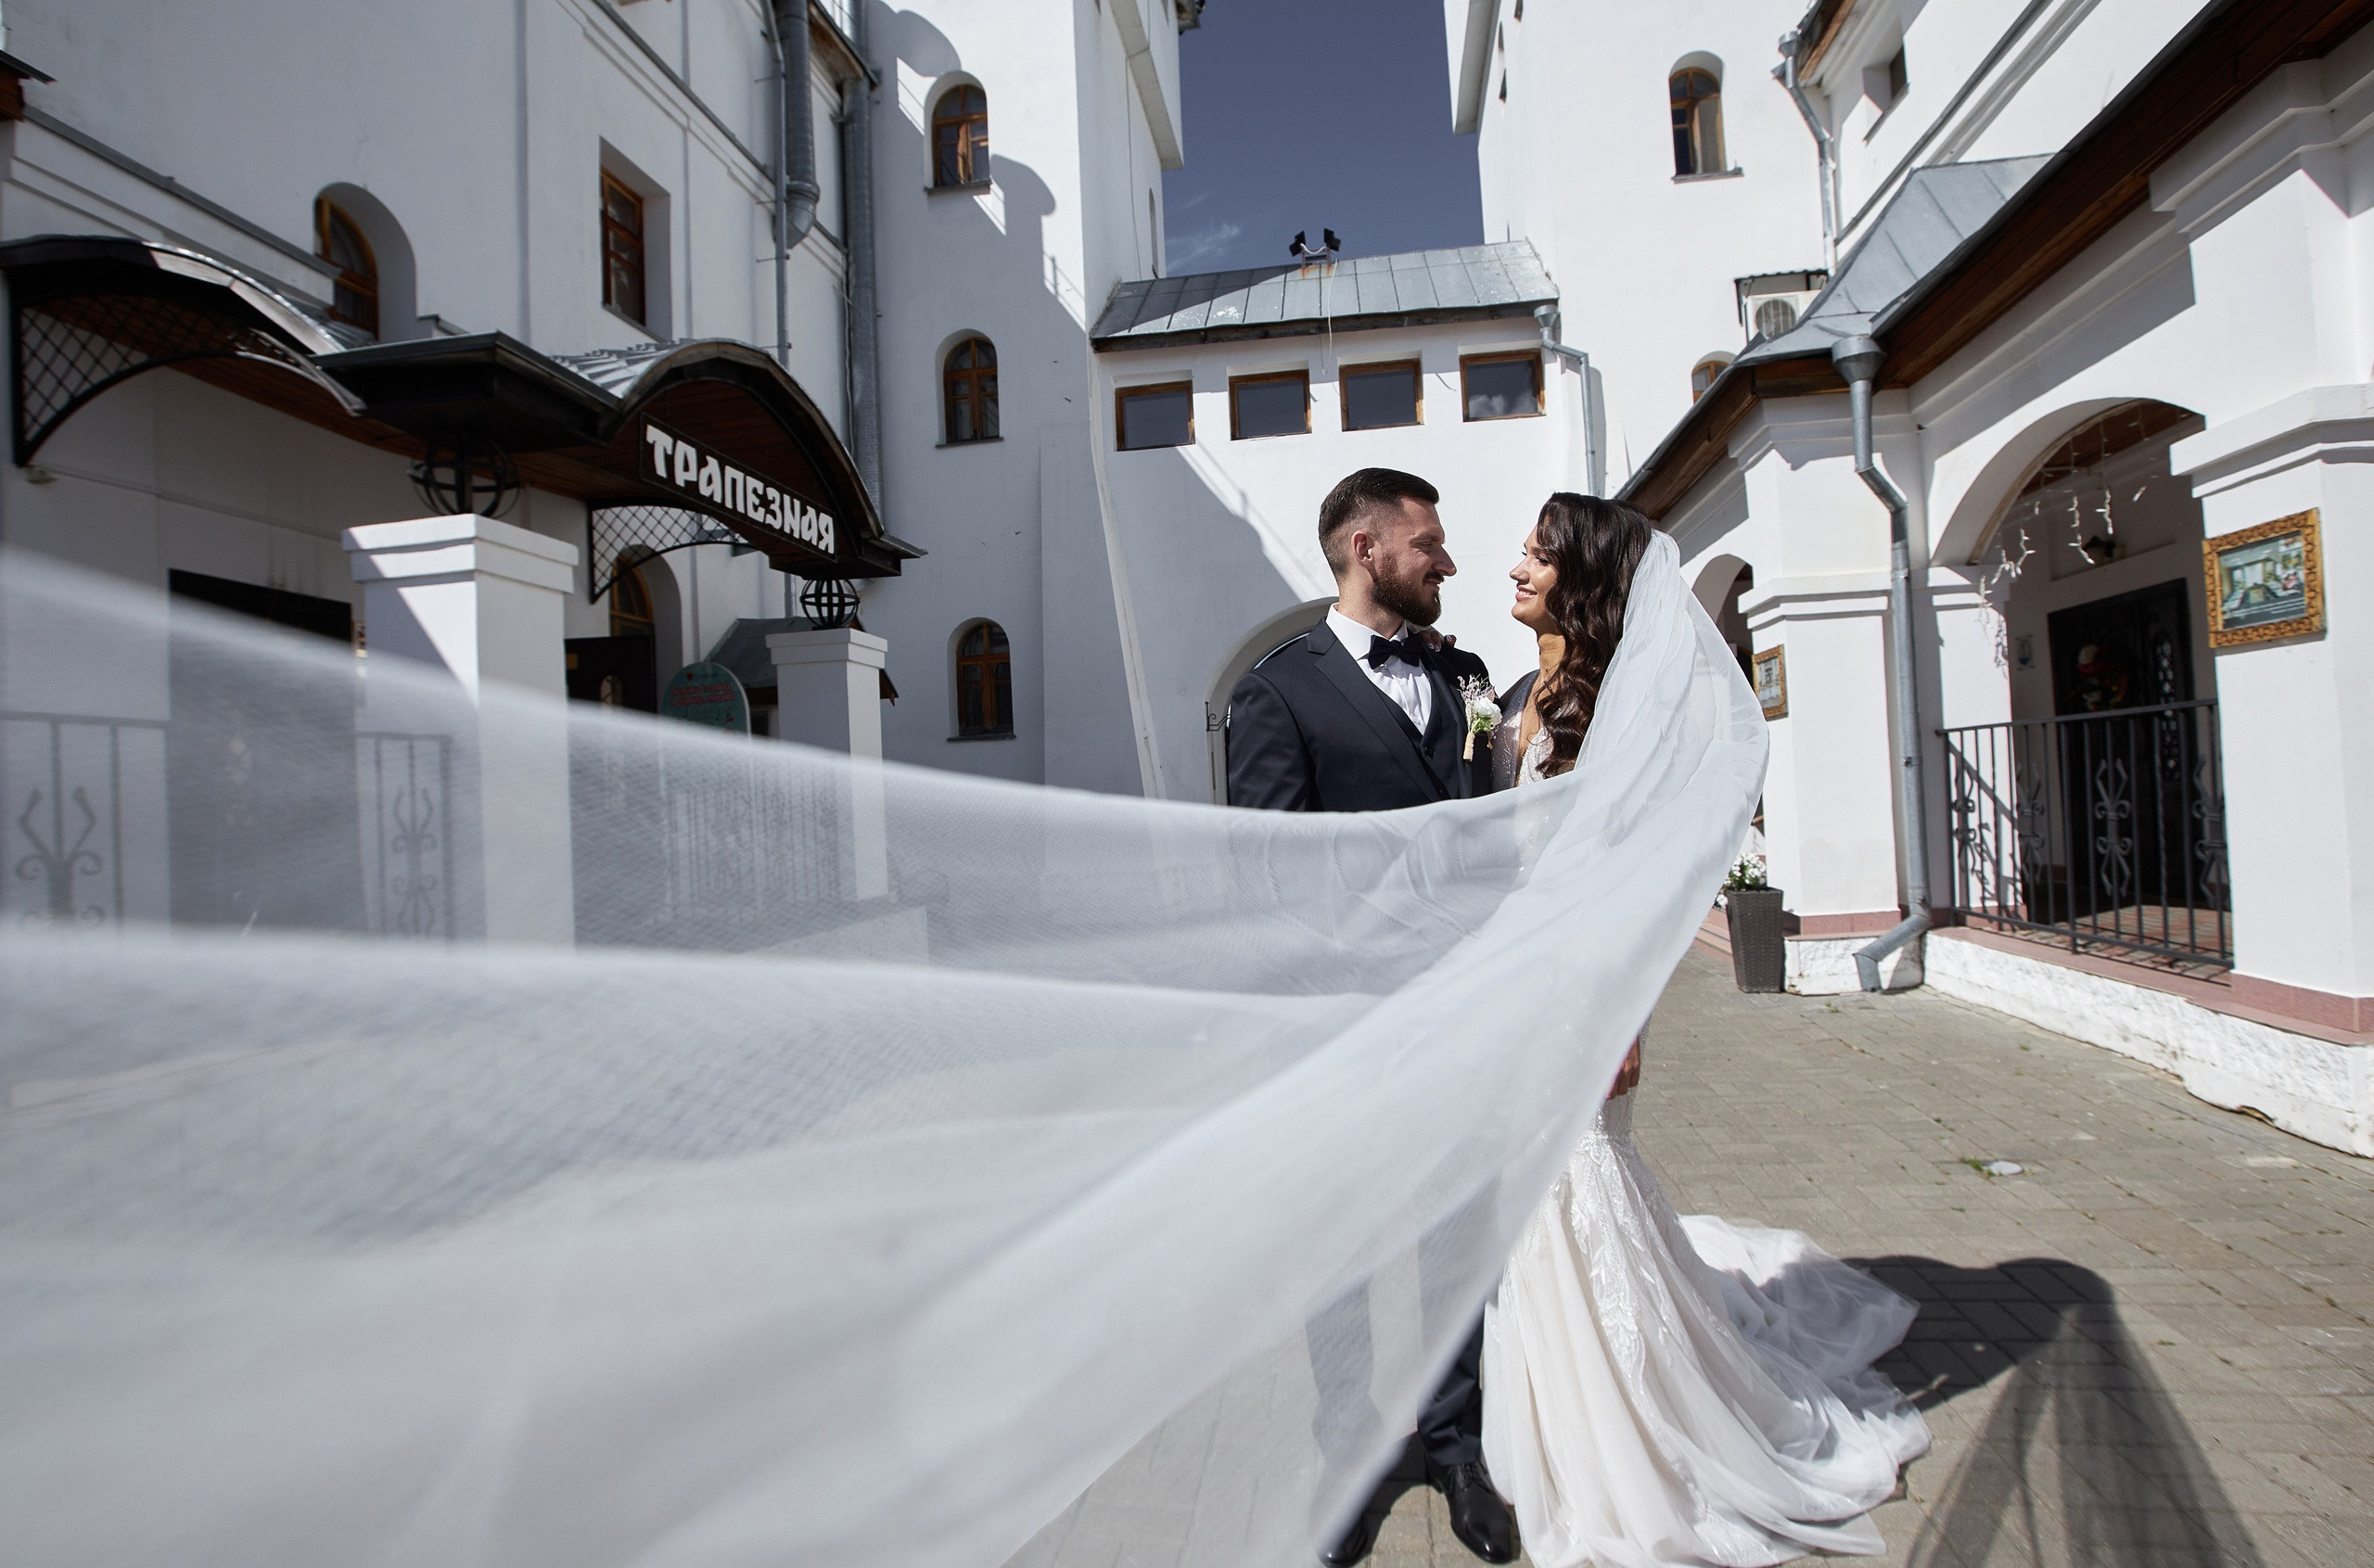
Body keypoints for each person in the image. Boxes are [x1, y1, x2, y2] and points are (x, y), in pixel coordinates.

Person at [1483, 493, 1931, 1568]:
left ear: (1582, 575)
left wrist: (1626, 1003)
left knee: (1575, 1182)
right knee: (1526, 1196)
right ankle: (1543, 1394)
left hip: (1585, 987)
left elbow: (1640, 879)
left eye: (1536, 555)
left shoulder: (1625, 709)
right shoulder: (1518, 692)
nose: (1514, 567)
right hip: (1511, 980)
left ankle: (1634, 1426)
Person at [1226, 467, 1517, 1567]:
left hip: (1460, 1018)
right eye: (1428, 543)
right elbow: (1265, 871)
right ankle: (1346, 1446)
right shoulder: (1278, 687)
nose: (1446, 561)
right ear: (1363, 545)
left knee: (1454, 1238)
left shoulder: (1467, 674)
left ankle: (1455, 1446)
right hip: (1338, 1023)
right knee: (1339, 1254)